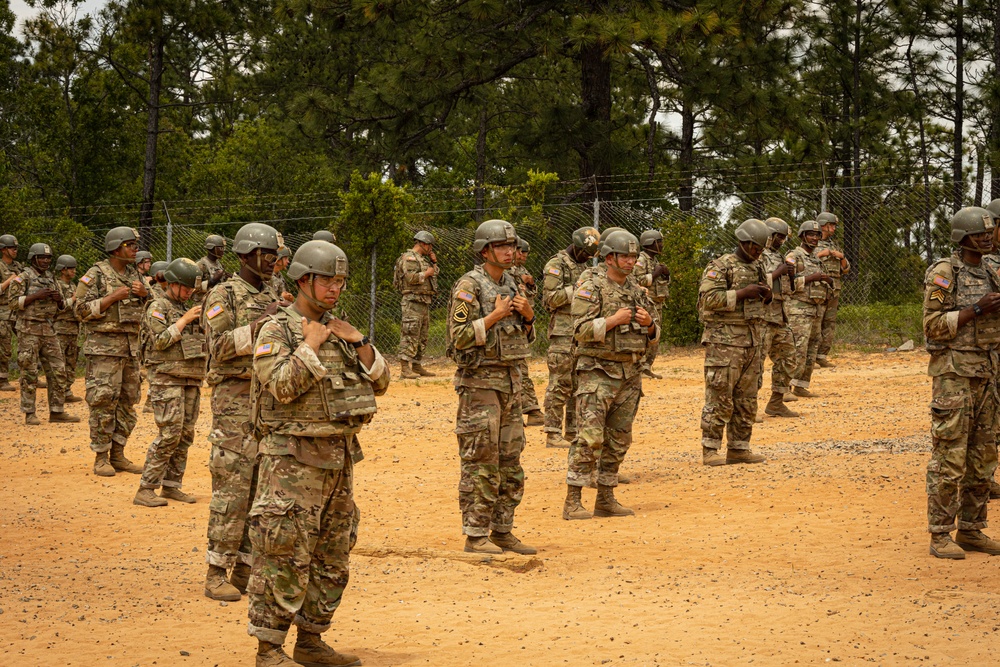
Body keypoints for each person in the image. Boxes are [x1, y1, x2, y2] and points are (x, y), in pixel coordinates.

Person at [247, 240, 388, 667]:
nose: (335, 288)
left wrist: (359, 340)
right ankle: (269, 650)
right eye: (327, 279)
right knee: (283, 550)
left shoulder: (342, 330)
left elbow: (380, 382)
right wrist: (308, 346)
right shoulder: (278, 330)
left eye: (341, 280)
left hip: (338, 460)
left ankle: (310, 641)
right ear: (304, 279)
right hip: (291, 461)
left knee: (332, 553)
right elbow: (281, 386)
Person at [202, 223, 283, 602]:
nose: (273, 262)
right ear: (247, 255)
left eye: (275, 256)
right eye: (267, 255)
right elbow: (217, 347)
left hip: (267, 402)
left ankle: (246, 569)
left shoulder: (275, 291)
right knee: (232, 488)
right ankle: (216, 570)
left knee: (261, 490)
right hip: (234, 403)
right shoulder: (224, 294)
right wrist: (260, 322)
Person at [447, 219, 536, 555]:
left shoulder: (514, 283)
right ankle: (475, 534)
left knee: (511, 461)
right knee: (481, 461)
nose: (510, 252)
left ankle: (502, 529)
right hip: (480, 385)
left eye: (512, 246)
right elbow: (457, 339)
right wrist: (493, 316)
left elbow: (527, 338)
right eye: (502, 246)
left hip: (511, 383)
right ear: (485, 250)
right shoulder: (469, 286)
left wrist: (528, 317)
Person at [562, 231, 657, 520]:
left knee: (619, 439)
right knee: (589, 438)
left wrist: (650, 324)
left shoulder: (637, 290)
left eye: (634, 256)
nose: (631, 261)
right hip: (597, 372)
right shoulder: (591, 287)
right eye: (625, 256)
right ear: (609, 257)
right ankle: (573, 501)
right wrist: (613, 320)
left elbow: (654, 333)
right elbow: (579, 330)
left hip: (630, 372)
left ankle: (605, 498)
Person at [923, 206, 1000, 559]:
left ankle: (971, 529)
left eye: (989, 232)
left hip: (986, 371)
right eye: (979, 233)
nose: (987, 237)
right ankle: (940, 533)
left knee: (983, 455)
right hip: (954, 373)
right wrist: (977, 310)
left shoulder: (992, 269)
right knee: (950, 455)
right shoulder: (944, 272)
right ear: (962, 237)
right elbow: (932, 325)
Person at [698, 219, 772, 466]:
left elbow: (761, 298)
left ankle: (739, 447)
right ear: (744, 242)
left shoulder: (759, 266)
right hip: (724, 343)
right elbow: (708, 299)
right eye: (755, 248)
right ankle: (710, 449)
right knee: (720, 395)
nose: (758, 253)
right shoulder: (720, 267)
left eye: (761, 249)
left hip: (752, 340)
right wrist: (742, 293)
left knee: (747, 397)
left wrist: (766, 295)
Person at [75, 227, 148, 476]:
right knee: (103, 400)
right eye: (131, 245)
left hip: (130, 350)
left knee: (128, 402)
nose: (136, 250)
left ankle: (118, 454)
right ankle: (101, 457)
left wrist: (146, 293)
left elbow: (153, 306)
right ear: (117, 247)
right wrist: (111, 298)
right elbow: (79, 310)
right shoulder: (96, 274)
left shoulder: (136, 274)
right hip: (104, 351)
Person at [134, 258, 206, 507]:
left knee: (185, 435)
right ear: (173, 284)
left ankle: (172, 486)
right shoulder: (158, 306)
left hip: (191, 378)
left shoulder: (190, 307)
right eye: (186, 288)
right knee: (169, 434)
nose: (189, 293)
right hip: (166, 379)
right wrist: (184, 320)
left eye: (192, 290)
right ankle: (146, 488)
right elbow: (160, 341)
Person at [7, 243, 80, 425]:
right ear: (33, 258)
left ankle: (57, 411)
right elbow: (12, 303)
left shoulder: (51, 278)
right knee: (29, 372)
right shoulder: (23, 278)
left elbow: (62, 306)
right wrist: (35, 296)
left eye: (48, 258)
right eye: (42, 258)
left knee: (58, 370)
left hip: (49, 329)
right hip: (28, 329)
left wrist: (58, 300)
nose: (46, 261)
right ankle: (30, 413)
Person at [541, 226, 600, 448]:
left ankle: (572, 431)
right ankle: (553, 432)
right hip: (562, 334)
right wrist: (578, 289)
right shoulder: (556, 265)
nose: (587, 258)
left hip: (579, 333)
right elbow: (550, 299)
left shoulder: (582, 267)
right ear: (575, 247)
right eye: (585, 253)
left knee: (579, 384)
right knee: (560, 382)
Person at [785, 220, 832, 399]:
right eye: (810, 234)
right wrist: (811, 278)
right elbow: (788, 283)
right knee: (798, 347)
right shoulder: (793, 256)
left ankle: (801, 385)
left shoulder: (816, 259)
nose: (814, 238)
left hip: (816, 308)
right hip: (799, 309)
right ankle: (785, 387)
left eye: (817, 235)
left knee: (812, 347)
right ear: (802, 236)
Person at [757, 218, 799, 418]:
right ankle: (747, 409)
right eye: (779, 237)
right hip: (762, 316)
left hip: (779, 316)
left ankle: (776, 402)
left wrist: (790, 275)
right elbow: (753, 282)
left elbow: (790, 290)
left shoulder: (779, 256)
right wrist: (777, 273)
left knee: (788, 358)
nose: (782, 241)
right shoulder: (758, 255)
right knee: (755, 364)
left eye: (783, 238)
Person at [393, 230, 439, 378]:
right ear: (423, 244)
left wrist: (434, 262)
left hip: (423, 301)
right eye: (430, 246)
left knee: (422, 335)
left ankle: (417, 365)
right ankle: (405, 368)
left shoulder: (422, 259)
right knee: (410, 333)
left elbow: (434, 272)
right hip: (412, 301)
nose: (431, 249)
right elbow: (410, 278)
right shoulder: (410, 258)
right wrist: (427, 273)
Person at [510, 237, 543, 426]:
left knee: (519, 367)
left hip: (525, 321)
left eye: (525, 253)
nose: (522, 255)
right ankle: (531, 410)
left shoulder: (521, 271)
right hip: (513, 323)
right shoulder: (506, 272)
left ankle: (522, 411)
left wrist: (530, 284)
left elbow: (531, 295)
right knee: (519, 368)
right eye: (520, 251)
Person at [633, 229, 671, 379]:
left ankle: (647, 367)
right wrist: (655, 273)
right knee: (645, 334)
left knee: (655, 335)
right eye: (659, 242)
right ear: (651, 243)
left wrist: (665, 274)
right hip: (646, 304)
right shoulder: (641, 260)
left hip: (657, 303)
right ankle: (640, 366)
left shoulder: (654, 261)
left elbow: (661, 282)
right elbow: (637, 281)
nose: (661, 245)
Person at [814, 212, 850, 368]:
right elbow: (807, 260)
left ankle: (822, 356)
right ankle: (811, 356)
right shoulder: (812, 243)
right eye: (832, 225)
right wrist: (823, 254)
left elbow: (846, 269)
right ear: (824, 225)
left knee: (829, 322)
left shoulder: (834, 245)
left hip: (834, 289)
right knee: (816, 322)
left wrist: (841, 257)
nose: (834, 228)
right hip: (818, 289)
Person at [53, 254, 83, 403]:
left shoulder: (73, 286)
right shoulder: (56, 286)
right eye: (70, 268)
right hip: (60, 329)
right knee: (60, 363)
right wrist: (73, 299)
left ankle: (67, 390)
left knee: (71, 361)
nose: (73, 271)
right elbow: (57, 308)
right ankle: (58, 393)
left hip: (73, 328)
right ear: (63, 270)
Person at [0, 234, 23, 391]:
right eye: (11, 248)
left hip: (19, 310)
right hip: (3, 311)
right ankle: (2, 379)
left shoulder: (19, 266)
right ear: (3, 250)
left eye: (16, 248)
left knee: (26, 344)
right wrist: (11, 280)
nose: (15, 250)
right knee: (4, 346)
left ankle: (27, 377)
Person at [196, 234, 229, 299]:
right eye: (220, 248)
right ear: (211, 248)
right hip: (203, 303)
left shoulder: (218, 264)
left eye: (223, 248)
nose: (223, 250)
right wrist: (212, 280)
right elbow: (194, 289)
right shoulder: (200, 265)